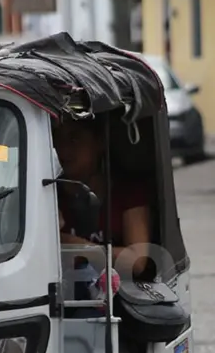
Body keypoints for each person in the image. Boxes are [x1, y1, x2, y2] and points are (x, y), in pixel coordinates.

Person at [52, 116, 152, 279]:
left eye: (74, 138)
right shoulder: (47, 194)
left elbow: (137, 262)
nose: (63, 149)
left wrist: (71, 244)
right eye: (57, 138)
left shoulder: (128, 192)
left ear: (99, 143)